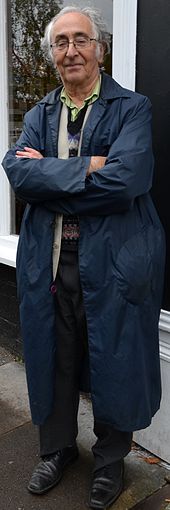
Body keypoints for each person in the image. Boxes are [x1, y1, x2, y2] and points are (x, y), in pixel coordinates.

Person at [2, 5, 165, 509]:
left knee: (113, 360)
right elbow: (17, 173)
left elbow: (125, 182)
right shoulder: (38, 114)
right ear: (52, 54)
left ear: (99, 48)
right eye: (60, 42)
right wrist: (88, 166)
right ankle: (56, 450)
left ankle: (110, 462)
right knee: (55, 357)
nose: (70, 50)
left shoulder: (131, 107)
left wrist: (52, 176)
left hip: (113, 263)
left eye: (81, 40)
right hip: (49, 262)